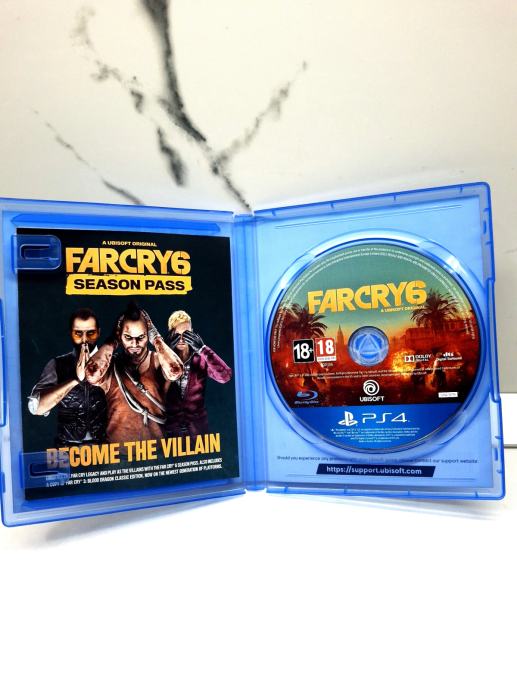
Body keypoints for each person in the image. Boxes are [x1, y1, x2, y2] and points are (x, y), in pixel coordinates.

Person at [85, 302, 183, 444]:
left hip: (156, 451)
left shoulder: (159, 361)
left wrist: (156, 338)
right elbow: (92, 374)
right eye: (128, 337)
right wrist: (112, 341)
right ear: (120, 336)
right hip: (117, 452)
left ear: (147, 335)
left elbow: (176, 372)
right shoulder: (109, 365)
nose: (135, 344)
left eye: (141, 337)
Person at [28, 307, 107, 446]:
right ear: (71, 333)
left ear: (99, 332)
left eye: (91, 333)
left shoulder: (113, 363)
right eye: (78, 333)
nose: (84, 340)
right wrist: (75, 380)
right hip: (66, 448)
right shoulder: (57, 364)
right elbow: (37, 408)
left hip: (106, 448)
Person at [164, 310, 232, 437]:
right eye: (177, 334)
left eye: (186, 334)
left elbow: (225, 376)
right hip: (169, 433)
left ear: (192, 332)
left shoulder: (201, 359)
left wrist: (203, 349)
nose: (182, 339)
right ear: (170, 333)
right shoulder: (160, 360)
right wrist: (164, 352)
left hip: (198, 433)